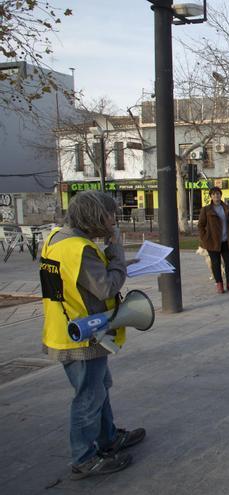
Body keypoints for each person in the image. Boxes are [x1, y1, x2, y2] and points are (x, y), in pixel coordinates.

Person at [39, 191, 145, 480]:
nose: (114, 220)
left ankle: (108, 438)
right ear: (97, 216)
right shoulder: (79, 249)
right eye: (111, 214)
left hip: (66, 329)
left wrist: (113, 263)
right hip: (84, 336)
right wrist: (117, 253)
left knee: (99, 388)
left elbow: (73, 283)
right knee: (88, 397)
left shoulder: (55, 239)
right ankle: (84, 458)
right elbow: (106, 287)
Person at [198, 186, 229, 294]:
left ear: (221, 195)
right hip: (212, 242)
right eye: (214, 194)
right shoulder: (206, 210)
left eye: (218, 194)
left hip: (226, 240)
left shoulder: (226, 208)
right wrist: (204, 238)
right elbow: (200, 226)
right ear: (211, 196)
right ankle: (219, 284)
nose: (216, 196)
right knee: (215, 264)